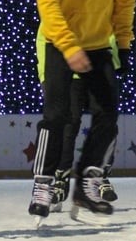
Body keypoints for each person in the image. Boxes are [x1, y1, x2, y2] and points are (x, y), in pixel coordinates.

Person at [29, 0, 136, 224]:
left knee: (108, 112)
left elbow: (124, 3)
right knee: (58, 115)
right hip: (60, 42)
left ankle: (89, 179)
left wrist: (123, 43)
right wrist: (69, 45)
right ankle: (44, 184)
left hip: (97, 43)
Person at [35, 31, 122, 212]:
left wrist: (116, 61)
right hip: (69, 72)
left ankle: (98, 174)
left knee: (107, 121)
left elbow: (112, 30)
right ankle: (61, 178)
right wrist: (45, 75)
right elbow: (45, 34)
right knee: (68, 125)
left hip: (99, 65)